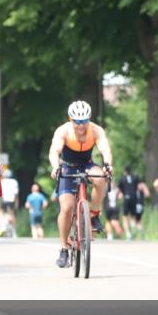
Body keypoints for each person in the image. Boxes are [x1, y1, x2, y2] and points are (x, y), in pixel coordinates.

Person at [48, 101, 113, 268]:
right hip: (67, 167)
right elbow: (54, 151)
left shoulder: (96, 130)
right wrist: (56, 167)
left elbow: (105, 149)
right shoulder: (63, 131)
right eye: (77, 121)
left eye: (84, 121)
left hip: (87, 164)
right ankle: (63, 248)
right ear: (71, 119)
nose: (81, 125)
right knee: (67, 208)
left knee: (100, 178)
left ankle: (94, 214)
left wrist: (107, 165)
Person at [118, 165, 150, 239]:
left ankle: (128, 234)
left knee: (125, 217)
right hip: (134, 198)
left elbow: (120, 190)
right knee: (133, 216)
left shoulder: (122, 179)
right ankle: (136, 228)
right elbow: (139, 186)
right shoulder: (135, 178)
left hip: (126, 198)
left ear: (124, 171)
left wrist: (120, 195)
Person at [0, 171, 19, 238]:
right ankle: (13, 231)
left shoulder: (1, 181)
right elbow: (16, 194)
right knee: (12, 214)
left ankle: (3, 226)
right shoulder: (14, 182)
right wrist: (17, 202)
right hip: (12, 200)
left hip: (4, 200)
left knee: (1, 212)